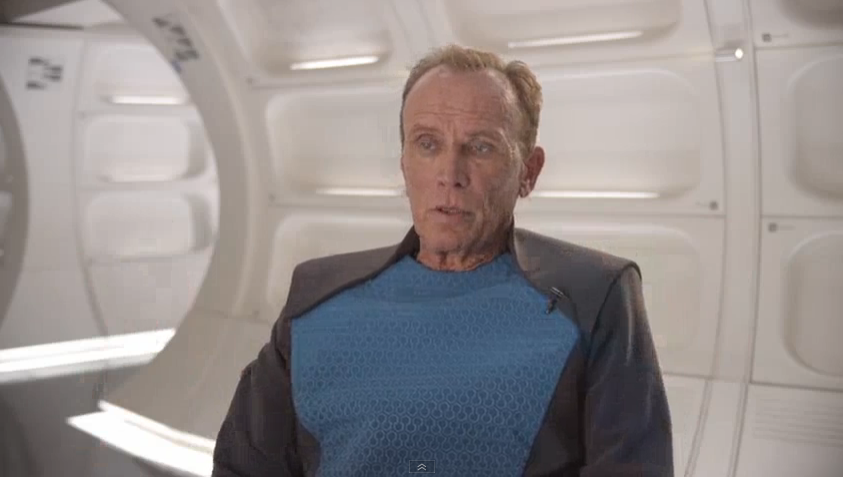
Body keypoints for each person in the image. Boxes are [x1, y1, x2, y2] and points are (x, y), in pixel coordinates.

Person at [211, 44, 673, 477]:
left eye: (481, 147)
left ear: (528, 172)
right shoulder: (316, 295)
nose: (450, 175)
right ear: (404, 163)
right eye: (428, 144)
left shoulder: (593, 295)